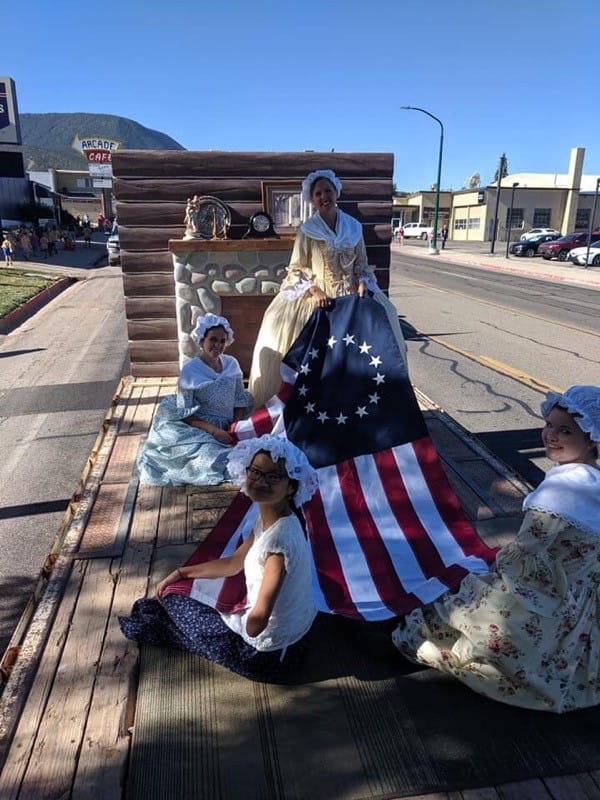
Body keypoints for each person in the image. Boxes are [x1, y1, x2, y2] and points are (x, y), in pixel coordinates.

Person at [392, 385, 600, 714]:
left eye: (565, 431)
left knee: (452, 609)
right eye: (549, 425)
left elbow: (525, 555)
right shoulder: (593, 480)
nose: (550, 436)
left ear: (592, 438)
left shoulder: (563, 488)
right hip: (582, 601)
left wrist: (490, 574)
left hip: (549, 595)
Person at [120, 435, 319, 681]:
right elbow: (234, 563)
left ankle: (184, 634)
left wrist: (231, 622)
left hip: (269, 658)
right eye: (255, 472)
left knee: (174, 603)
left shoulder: (278, 543)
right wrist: (182, 573)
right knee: (178, 599)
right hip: (299, 638)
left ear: (291, 486)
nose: (260, 481)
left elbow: (257, 622)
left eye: (273, 476)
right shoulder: (277, 518)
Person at [248, 168, 407, 408]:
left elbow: (362, 263)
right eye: (318, 193)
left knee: (372, 336)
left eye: (328, 191)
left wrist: (363, 280)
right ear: (312, 199)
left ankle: (359, 408)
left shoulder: (353, 227)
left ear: (336, 193)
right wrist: (315, 291)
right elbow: (297, 268)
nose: (324, 197)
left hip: (351, 298)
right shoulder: (307, 230)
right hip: (319, 298)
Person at [137, 313, 253, 486]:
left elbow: (239, 400)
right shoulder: (190, 370)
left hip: (230, 423)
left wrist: (235, 425)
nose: (218, 345)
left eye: (222, 341)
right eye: (213, 339)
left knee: (255, 447)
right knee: (214, 459)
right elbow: (186, 414)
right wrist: (214, 432)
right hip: (201, 426)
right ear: (201, 341)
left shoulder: (232, 364)